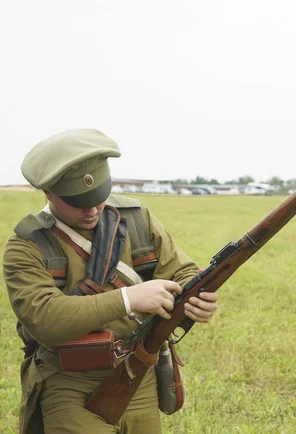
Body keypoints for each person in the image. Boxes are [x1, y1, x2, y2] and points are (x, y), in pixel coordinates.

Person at [3, 129, 219, 434]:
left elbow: (182, 273)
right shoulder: (27, 245)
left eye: (98, 197)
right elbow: (44, 320)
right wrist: (129, 299)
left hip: (138, 372)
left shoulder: (136, 218)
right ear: (49, 193)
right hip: (69, 381)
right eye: (78, 202)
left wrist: (200, 298)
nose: (92, 211)